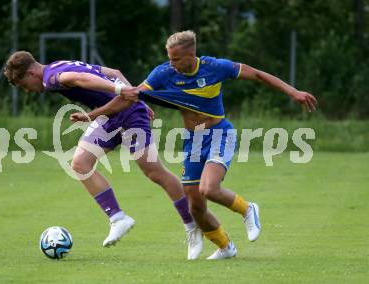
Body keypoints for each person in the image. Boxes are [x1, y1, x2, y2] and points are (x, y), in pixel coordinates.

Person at [74, 30, 317, 260]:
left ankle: (247, 209)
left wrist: (293, 91)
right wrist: (93, 115)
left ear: (191, 55)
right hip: (193, 140)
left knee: (209, 189)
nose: (172, 63)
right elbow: (130, 97)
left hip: (219, 133)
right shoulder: (163, 73)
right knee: (195, 206)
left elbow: (257, 74)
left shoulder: (215, 67)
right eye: (169, 58)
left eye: (176, 59)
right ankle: (225, 247)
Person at [3, 51, 203, 259]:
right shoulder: (57, 65)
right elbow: (113, 71)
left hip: (128, 114)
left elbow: (81, 78)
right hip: (109, 116)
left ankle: (192, 226)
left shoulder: (51, 78)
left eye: (24, 85)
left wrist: (122, 91)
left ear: (30, 73)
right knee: (80, 164)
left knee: (155, 172)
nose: (29, 90)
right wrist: (136, 96)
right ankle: (118, 218)